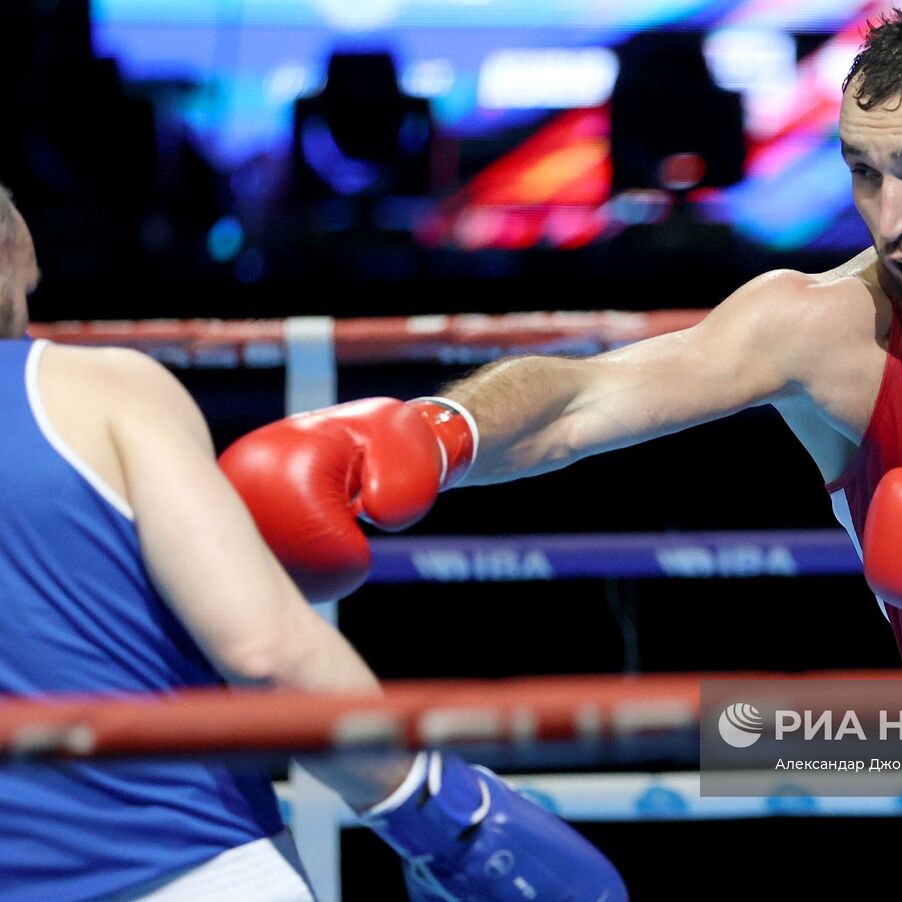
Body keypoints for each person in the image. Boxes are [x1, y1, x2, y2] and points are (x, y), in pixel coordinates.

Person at [219, 5, 902, 899]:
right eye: (864, 173)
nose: (891, 219)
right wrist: (435, 432)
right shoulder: (828, 325)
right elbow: (588, 396)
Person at [0, 184, 625, 902]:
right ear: (20, 250)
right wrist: (443, 816)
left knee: (771, 734)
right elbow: (267, 651)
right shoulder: (95, 390)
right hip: (182, 864)